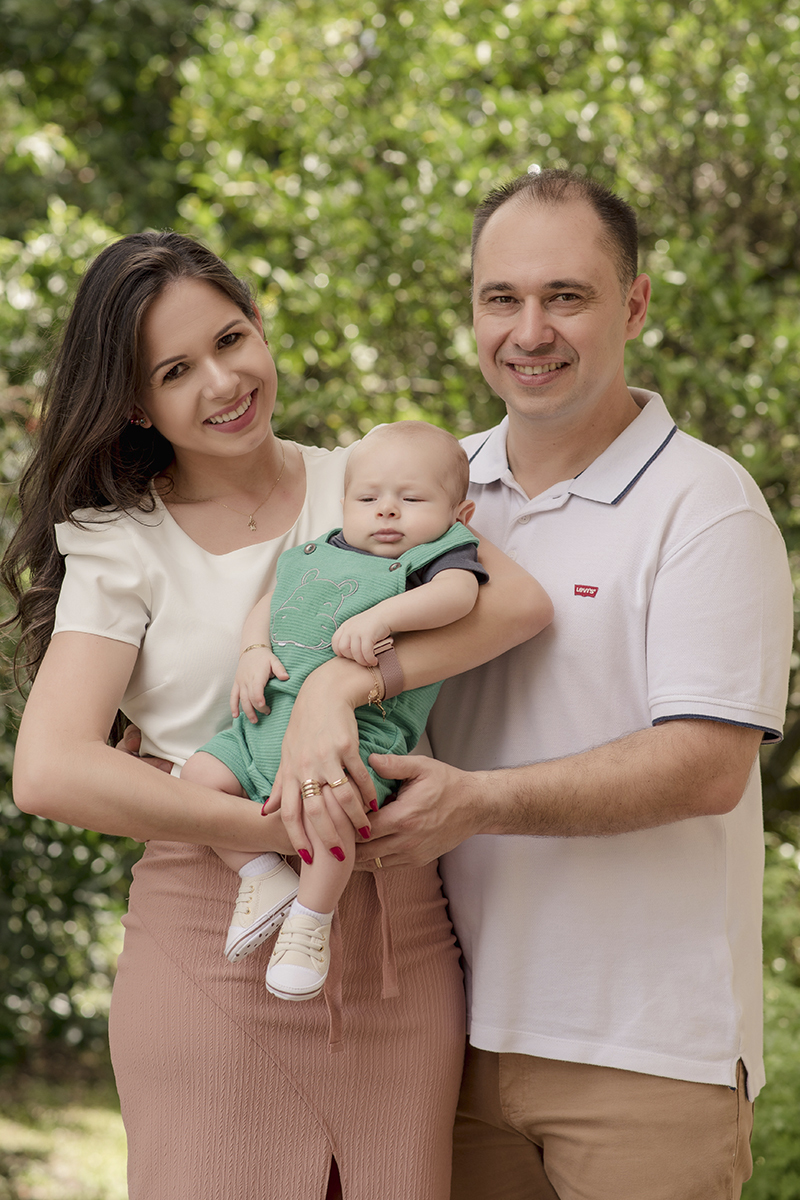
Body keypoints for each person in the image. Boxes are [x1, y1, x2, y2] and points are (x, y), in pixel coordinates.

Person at [5, 231, 551, 1200]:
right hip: (212, 930)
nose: (222, 382)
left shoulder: (369, 485)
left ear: (260, 328)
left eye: (230, 339)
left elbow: (512, 604)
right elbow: (49, 767)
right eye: (176, 370)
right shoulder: (123, 544)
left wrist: (346, 689)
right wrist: (257, 824)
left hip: (396, 939)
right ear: (137, 403)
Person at [359, 170, 794, 1200]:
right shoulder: (422, 494)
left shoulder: (705, 505)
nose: (528, 330)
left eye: (565, 296)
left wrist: (474, 804)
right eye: (499, 298)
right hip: (441, 1034)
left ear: (632, 304)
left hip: (642, 1051)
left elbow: (703, 765)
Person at [181, 420, 489, 1001]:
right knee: (198, 777)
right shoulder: (313, 552)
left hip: (357, 734)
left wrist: (384, 618)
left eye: (413, 498)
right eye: (368, 498)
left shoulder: (437, 558)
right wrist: (252, 651)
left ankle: (310, 920)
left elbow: (461, 597)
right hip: (260, 724)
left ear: (460, 514)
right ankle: (262, 876)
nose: (388, 512)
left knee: (334, 818)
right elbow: (267, 607)